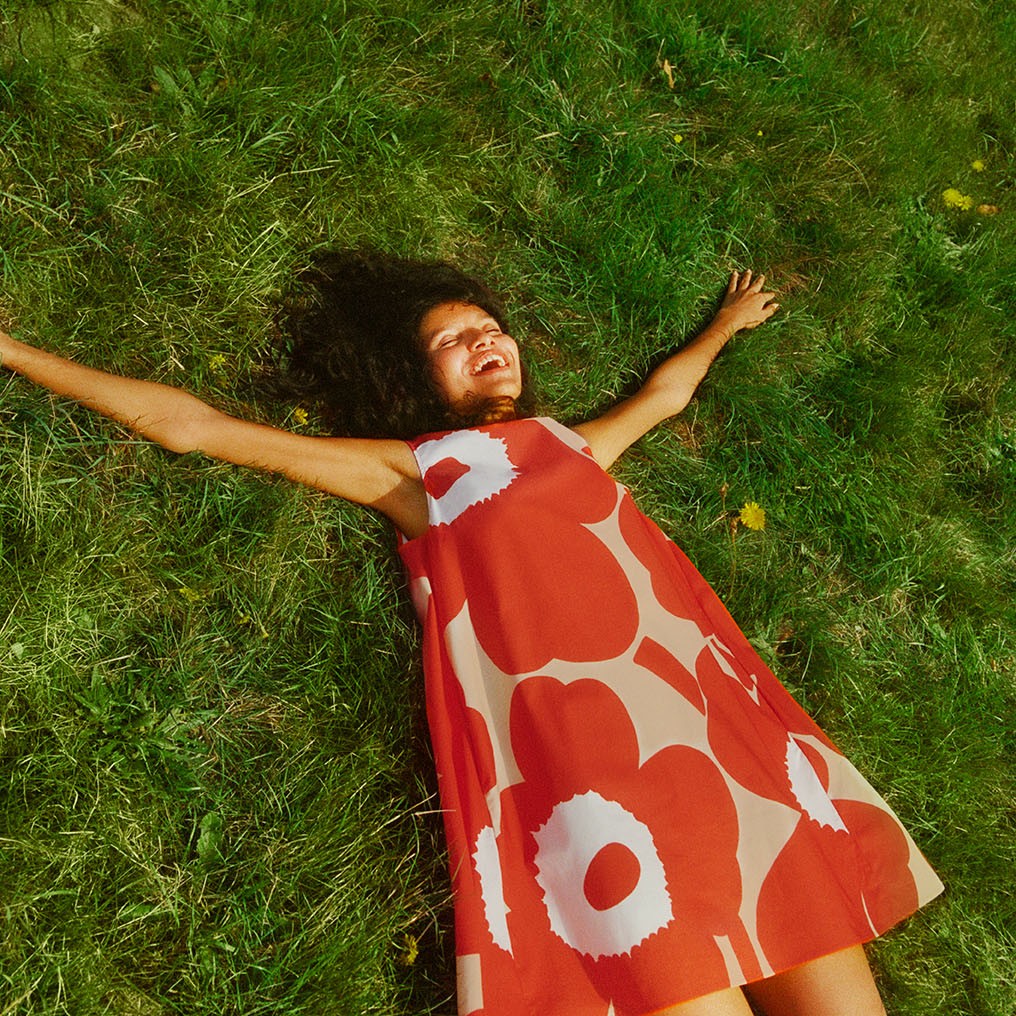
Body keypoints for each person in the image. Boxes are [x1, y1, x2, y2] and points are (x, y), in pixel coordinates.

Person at [0, 251, 942, 1016]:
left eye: (487, 327)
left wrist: (726, 326)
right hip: (590, 778)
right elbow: (193, 426)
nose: (483, 340)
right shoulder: (415, 474)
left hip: (713, 751)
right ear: (413, 380)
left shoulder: (571, 444)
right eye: (451, 342)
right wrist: (11, 350)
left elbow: (667, 395)